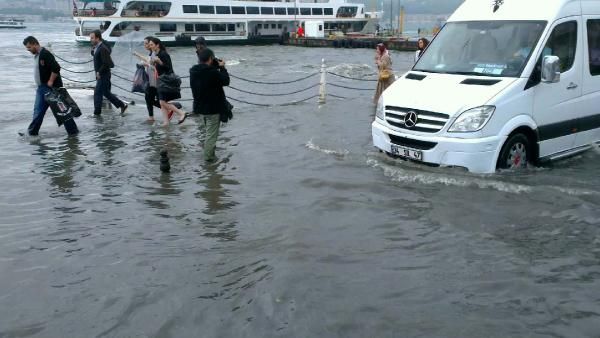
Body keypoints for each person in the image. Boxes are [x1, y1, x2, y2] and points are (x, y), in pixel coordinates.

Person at [22, 36, 79, 136]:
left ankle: (73, 133)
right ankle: (32, 133)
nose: (28, 50)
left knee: (62, 112)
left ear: (35, 43)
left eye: (29, 47)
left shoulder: (45, 54)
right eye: (27, 48)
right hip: (41, 89)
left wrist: (50, 81)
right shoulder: (37, 55)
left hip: (51, 89)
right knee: (38, 112)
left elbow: (56, 68)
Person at [190, 48, 230, 162]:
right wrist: (222, 67)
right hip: (212, 108)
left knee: (208, 132)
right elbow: (226, 81)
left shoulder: (194, 71)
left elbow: (208, 78)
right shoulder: (212, 72)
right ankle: (209, 160)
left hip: (200, 107)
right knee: (211, 135)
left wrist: (215, 67)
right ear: (211, 59)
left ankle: (210, 154)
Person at [147, 37, 187, 126]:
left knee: (162, 102)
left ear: (157, 45)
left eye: (151, 45)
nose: (150, 46)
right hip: (160, 80)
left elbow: (169, 68)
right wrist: (151, 64)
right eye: (149, 45)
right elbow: (155, 68)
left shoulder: (163, 54)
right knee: (162, 102)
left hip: (166, 81)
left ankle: (181, 113)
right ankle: (166, 122)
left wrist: (159, 62)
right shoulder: (154, 54)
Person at [90, 30, 128, 116]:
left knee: (97, 93)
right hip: (102, 75)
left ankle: (97, 113)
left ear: (98, 38)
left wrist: (99, 71)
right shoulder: (97, 48)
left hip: (104, 75)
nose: (90, 39)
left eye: (92, 38)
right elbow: (98, 58)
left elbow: (108, 63)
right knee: (106, 93)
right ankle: (122, 105)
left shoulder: (103, 48)